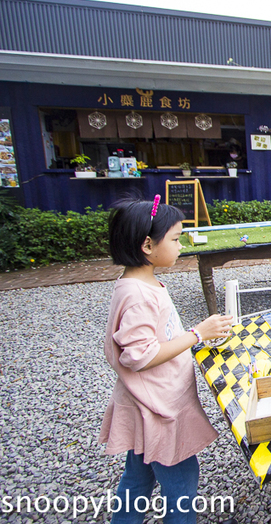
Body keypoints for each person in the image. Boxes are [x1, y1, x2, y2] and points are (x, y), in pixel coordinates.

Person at [99, 195, 233, 523]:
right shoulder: (138, 296)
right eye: (175, 239)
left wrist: (193, 336)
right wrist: (197, 335)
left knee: (138, 479)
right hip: (157, 409)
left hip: (145, 403)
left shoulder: (138, 283)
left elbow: (150, 340)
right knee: (182, 487)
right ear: (147, 244)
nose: (180, 245)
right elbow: (139, 355)